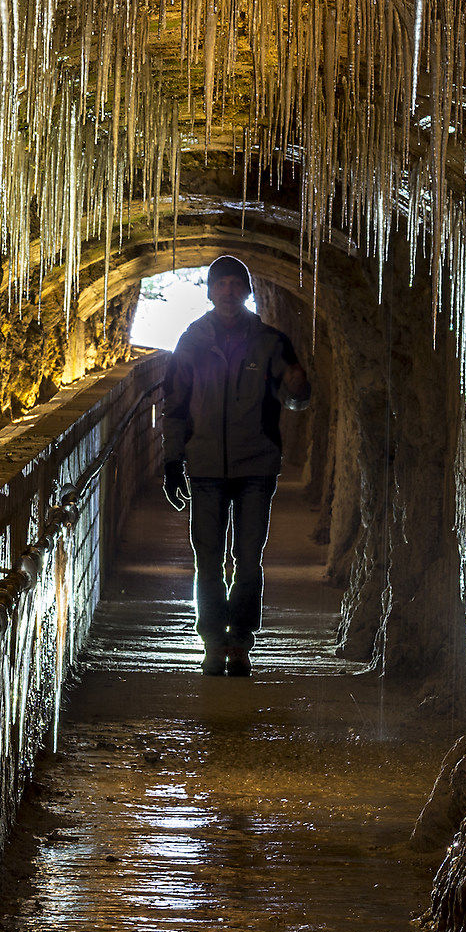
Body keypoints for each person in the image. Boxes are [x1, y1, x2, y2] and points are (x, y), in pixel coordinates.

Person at [158, 255, 312, 676]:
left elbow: (295, 398)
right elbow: (173, 406)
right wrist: (173, 462)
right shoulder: (190, 341)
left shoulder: (269, 342)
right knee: (207, 559)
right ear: (209, 291)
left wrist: (299, 387)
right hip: (205, 466)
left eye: (234, 283)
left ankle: (241, 643)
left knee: (248, 559)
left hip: (256, 467)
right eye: (219, 284)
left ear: (247, 291)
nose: (227, 291)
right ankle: (212, 641)